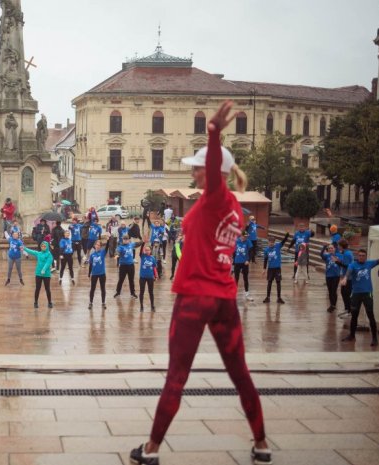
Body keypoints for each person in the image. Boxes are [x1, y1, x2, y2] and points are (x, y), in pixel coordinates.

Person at [130, 101, 270, 465]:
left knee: (176, 376)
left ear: (213, 173)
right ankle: (261, 444)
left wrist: (212, 132)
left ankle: (151, 450)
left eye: (197, 169)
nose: (193, 174)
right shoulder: (236, 209)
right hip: (224, 297)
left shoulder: (216, 199)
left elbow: (212, 175)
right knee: (240, 374)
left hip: (194, 297)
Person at [340, 248, 379, 347]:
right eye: (360, 255)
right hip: (356, 294)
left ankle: (374, 338)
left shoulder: (369, 263)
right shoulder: (352, 265)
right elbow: (349, 271)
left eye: (363, 255)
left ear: (365, 257)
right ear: (357, 256)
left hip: (367, 294)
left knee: (371, 315)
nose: (361, 257)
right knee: (354, 316)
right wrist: (345, 278)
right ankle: (352, 335)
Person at [24, 241, 54, 309]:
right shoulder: (39, 253)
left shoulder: (49, 254)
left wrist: (44, 269)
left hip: (46, 274)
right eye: (42, 246)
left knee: (47, 289)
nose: (43, 247)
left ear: (47, 247)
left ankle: (49, 302)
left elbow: (48, 262)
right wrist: (24, 248)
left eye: (44, 246)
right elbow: (31, 251)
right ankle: (35, 302)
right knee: (37, 288)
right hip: (38, 274)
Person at [261, 233, 289, 304]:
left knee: (278, 282)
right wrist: (264, 269)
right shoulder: (266, 250)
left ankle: (279, 298)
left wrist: (287, 235)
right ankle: (268, 297)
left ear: (274, 242)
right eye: (270, 242)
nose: (271, 243)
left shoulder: (277, 246)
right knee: (269, 282)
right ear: (268, 242)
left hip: (277, 268)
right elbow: (265, 260)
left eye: (272, 242)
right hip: (270, 269)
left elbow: (283, 241)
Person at [321, 244, 343, 313]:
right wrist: (324, 247)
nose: (330, 249)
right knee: (330, 291)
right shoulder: (327, 256)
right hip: (328, 275)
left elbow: (341, 262)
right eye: (329, 248)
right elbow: (321, 254)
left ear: (334, 249)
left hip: (336, 275)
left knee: (334, 290)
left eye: (332, 248)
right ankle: (331, 304)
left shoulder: (338, 255)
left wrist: (337, 260)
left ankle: (333, 305)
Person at [88, 240, 109, 309]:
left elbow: (107, 247)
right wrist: (89, 273)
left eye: (99, 245)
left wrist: (108, 240)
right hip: (94, 274)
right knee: (92, 289)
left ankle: (103, 303)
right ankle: (90, 302)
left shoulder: (103, 252)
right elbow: (90, 265)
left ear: (101, 246)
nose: (98, 246)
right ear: (94, 245)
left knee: (103, 288)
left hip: (102, 274)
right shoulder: (92, 255)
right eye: (97, 245)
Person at [233, 231, 253, 301]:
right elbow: (234, 252)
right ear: (241, 236)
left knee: (245, 278)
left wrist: (248, 260)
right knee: (236, 278)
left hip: (245, 263)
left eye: (246, 236)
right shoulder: (236, 241)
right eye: (244, 236)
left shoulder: (248, 242)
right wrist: (233, 262)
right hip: (237, 263)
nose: (245, 237)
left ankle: (247, 294)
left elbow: (251, 252)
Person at [138, 245, 159, 312]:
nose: (147, 251)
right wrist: (143, 243)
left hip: (150, 278)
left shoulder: (153, 258)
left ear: (150, 251)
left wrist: (156, 275)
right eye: (146, 250)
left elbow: (154, 267)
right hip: (142, 277)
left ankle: (152, 306)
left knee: (151, 292)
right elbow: (141, 251)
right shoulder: (143, 256)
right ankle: (141, 306)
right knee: (142, 292)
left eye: (148, 250)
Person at [337, 239, 354, 315]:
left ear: (341, 246)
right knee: (343, 293)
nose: (338, 247)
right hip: (345, 277)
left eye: (338, 245)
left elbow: (347, 266)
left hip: (348, 277)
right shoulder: (346, 253)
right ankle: (347, 309)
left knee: (346, 293)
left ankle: (349, 310)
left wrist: (337, 262)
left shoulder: (347, 254)